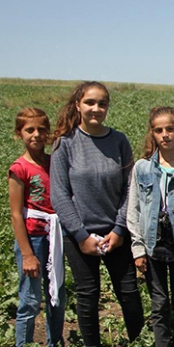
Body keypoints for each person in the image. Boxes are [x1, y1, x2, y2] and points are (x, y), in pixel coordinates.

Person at [50, 81, 144, 346]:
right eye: (90, 102)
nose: (96, 108)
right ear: (78, 105)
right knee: (87, 295)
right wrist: (81, 235)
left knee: (129, 294)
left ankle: (139, 341)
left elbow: (130, 189)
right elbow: (59, 194)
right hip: (78, 235)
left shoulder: (119, 141)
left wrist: (118, 229)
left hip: (115, 233)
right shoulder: (64, 143)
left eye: (102, 103)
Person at [127, 106, 174, 347]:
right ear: (153, 134)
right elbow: (134, 209)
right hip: (153, 242)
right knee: (159, 303)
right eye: (159, 130)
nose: (165, 135)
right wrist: (137, 249)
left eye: (170, 129)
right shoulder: (142, 168)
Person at [9, 107, 65, 347]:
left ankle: (54, 342)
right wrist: (28, 254)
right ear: (18, 134)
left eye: (42, 129)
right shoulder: (19, 168)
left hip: (55, 237)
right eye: (29, 130)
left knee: (57, 297)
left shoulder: (54, 163)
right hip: (32, 240)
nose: (36, 134)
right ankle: (24, 343)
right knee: (30, 300)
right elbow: (15, 214)